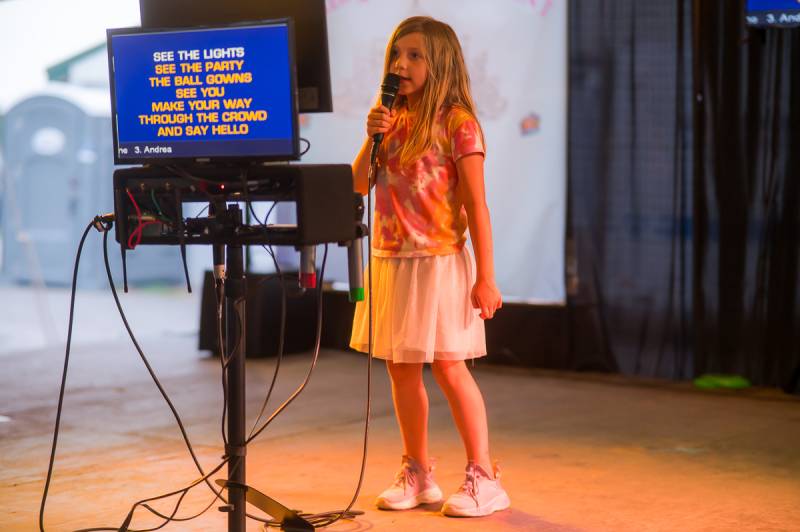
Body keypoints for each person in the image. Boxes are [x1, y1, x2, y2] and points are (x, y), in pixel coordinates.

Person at [349, 16, 510, 518]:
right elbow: (358, 184)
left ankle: (484, 476)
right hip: (391, 260)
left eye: (415, 55)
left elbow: (477, 205)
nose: (402, 64)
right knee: (400, 369)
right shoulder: (390, 117)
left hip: (438, 261)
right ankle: (417, 471)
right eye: (398, 54)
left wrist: (486, 275)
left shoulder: (458, 121)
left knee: (448, 365)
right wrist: (369, 134)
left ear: (439, 61)